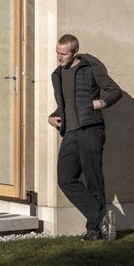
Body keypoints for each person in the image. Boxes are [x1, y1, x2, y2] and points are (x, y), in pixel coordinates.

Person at [48, 33, 122, 241]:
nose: (59, 57)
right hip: (70, 133)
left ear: (74, 52)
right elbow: (65, 105)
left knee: (93, 180)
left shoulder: (90, 69)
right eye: (57, 53)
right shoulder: (57, 75)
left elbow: (115, 91)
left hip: (91, 129)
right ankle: (101, 217)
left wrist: (100, 103)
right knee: (65, 179)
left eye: (63, 54)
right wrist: (53, 117)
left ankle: (94, 230)